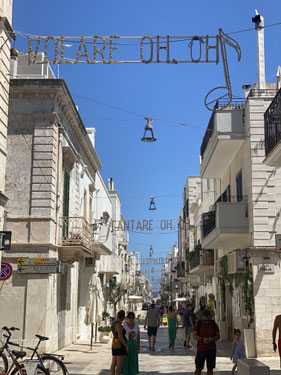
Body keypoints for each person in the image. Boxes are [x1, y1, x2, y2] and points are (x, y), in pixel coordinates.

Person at [192, 309, 220, 375]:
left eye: (208, 320)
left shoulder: (213, 323)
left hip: (211, 349)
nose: (207, 322)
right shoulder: (199, 323)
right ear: (202, 317)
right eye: (205, 320)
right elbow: (194, 335)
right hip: (201, 349)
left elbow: (218, 336)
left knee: (210, 369)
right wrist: (202, 339)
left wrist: (212, 339)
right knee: (198, 369)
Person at [111, 310, 128, 375]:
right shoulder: (119, 325)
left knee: (114, 363)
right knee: (119, 365)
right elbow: (120, 337)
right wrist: (126, 345)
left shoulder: (114, 323)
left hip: (115, 344)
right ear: (123, 317)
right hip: (120, 346)